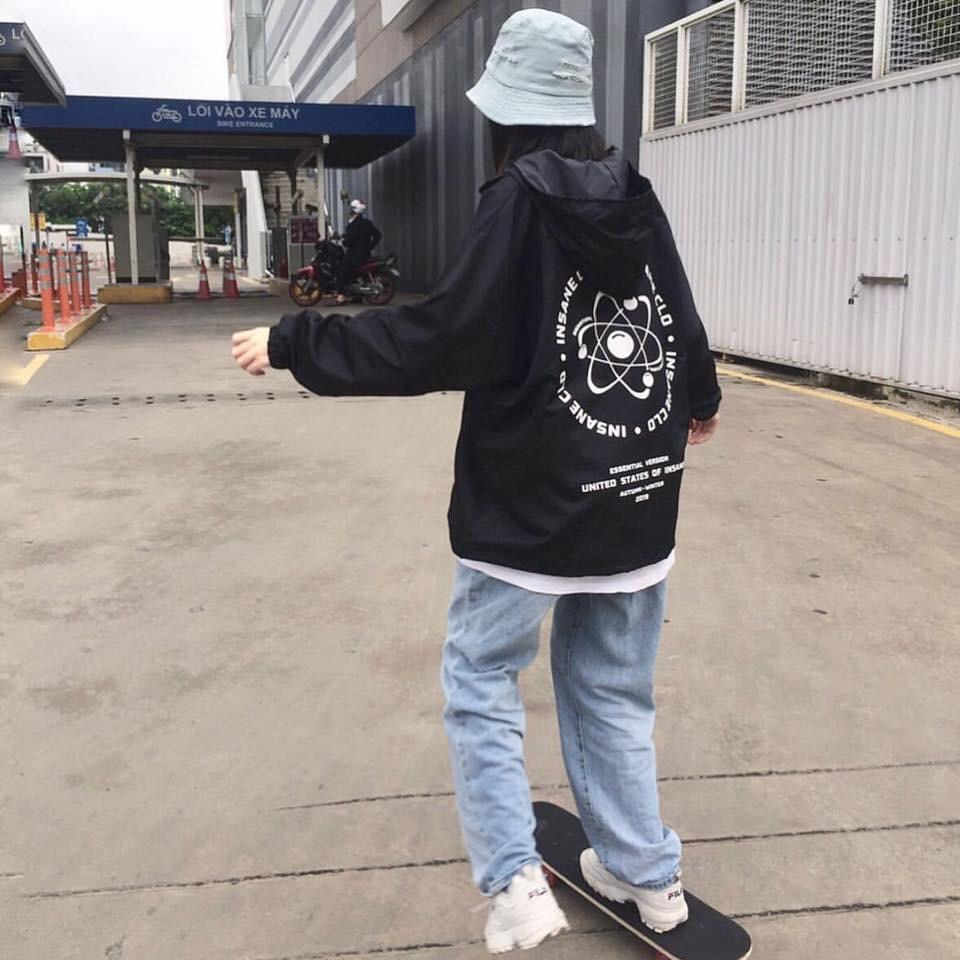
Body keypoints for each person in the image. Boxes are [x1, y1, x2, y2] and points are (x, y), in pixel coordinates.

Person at [232, 8, 720, 954]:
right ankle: (646, 876)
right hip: (633, 491)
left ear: (506, 112)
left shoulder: (517, 200)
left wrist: (296, 341)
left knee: (482, 677)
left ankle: (515, 886)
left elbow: (445, 335)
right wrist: (698, 395)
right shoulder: (636, 194)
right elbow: (680, 313)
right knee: (614, 692)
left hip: (531, 505)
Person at [335, 198, 382, 303]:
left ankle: (341, 295)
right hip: (366, 254)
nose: (350, 212)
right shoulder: (367, 223)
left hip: (354, 255)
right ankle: (357, 296)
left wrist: (343, 242)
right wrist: (370, 246)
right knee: (355, 273)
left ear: (354, 210)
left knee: (341, 269)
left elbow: (349, 241)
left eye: (352, 210)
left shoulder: (353, 225)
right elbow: (378, 235)